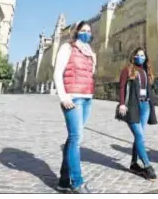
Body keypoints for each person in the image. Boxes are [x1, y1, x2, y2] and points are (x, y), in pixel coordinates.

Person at [53, 21, 96, 194]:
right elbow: (57, 72)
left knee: (73, 139)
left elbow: (90, 75)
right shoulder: (67, 48)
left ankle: (64, 181)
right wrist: (63, 96)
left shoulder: (90, 52)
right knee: (76, 138)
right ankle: (77, 182)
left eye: (89, 31)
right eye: (83, 30)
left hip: (87, 98)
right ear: (77, 32)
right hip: (73, 98)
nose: (86, 33)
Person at [117, 47, 158, 181]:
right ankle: (147, 165)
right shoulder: (127, 69)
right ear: (133, 56)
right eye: (138, 55)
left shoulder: (146, 71)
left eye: (142, 55)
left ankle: (134, 163)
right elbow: (122, 87)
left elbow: (148, 88)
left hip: (145, 106)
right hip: (132, 106)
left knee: (139, 136)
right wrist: (122, 103)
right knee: (139, 135)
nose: (140, 57)